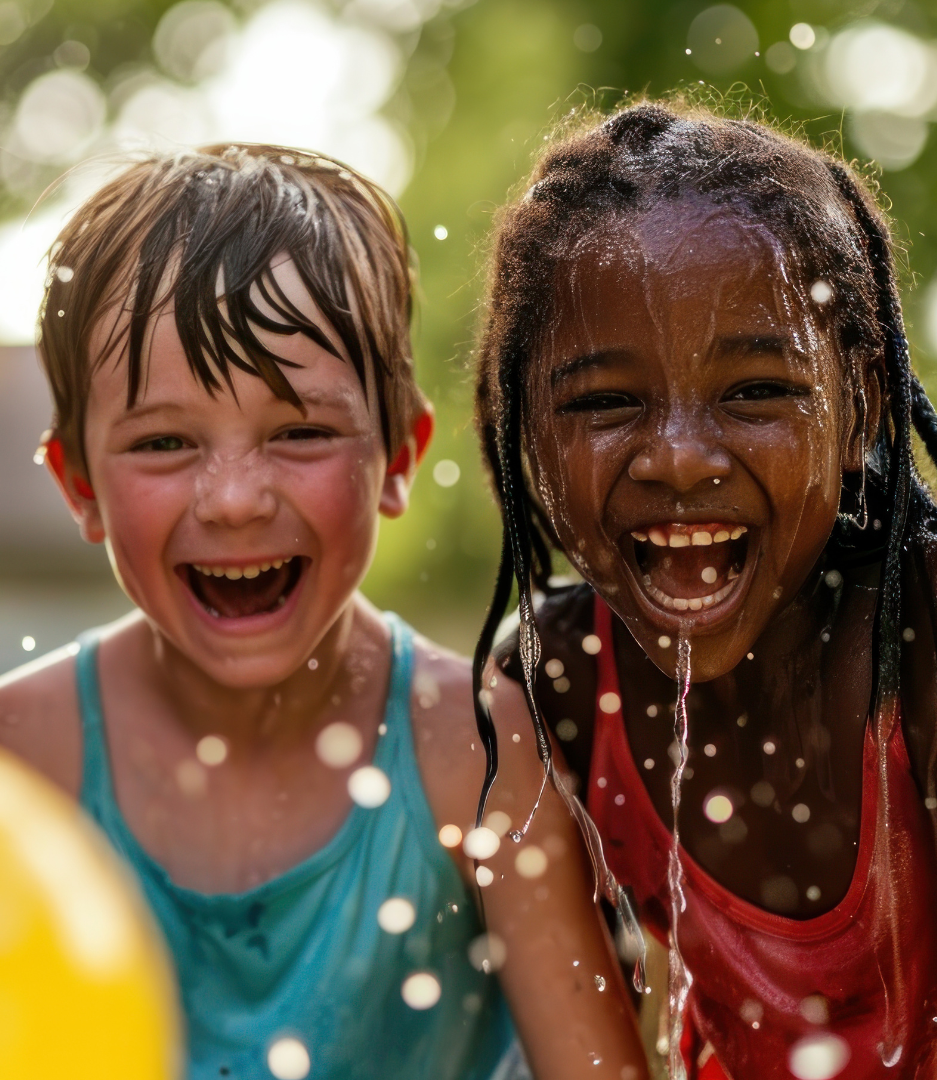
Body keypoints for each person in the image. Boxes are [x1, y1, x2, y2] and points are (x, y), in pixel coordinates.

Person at [0, 144, 648, 1080]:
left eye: (300, 432)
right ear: (79, 484)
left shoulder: (471, 751)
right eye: (165, 441)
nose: (232, 499)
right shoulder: (24, 759)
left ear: (397, 457)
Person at [474, 100, 937, 1080]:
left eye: (757, 391)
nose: (677, 457)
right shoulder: (556, 684)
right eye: (604, 402)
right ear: (520, 434)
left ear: (860, 411)